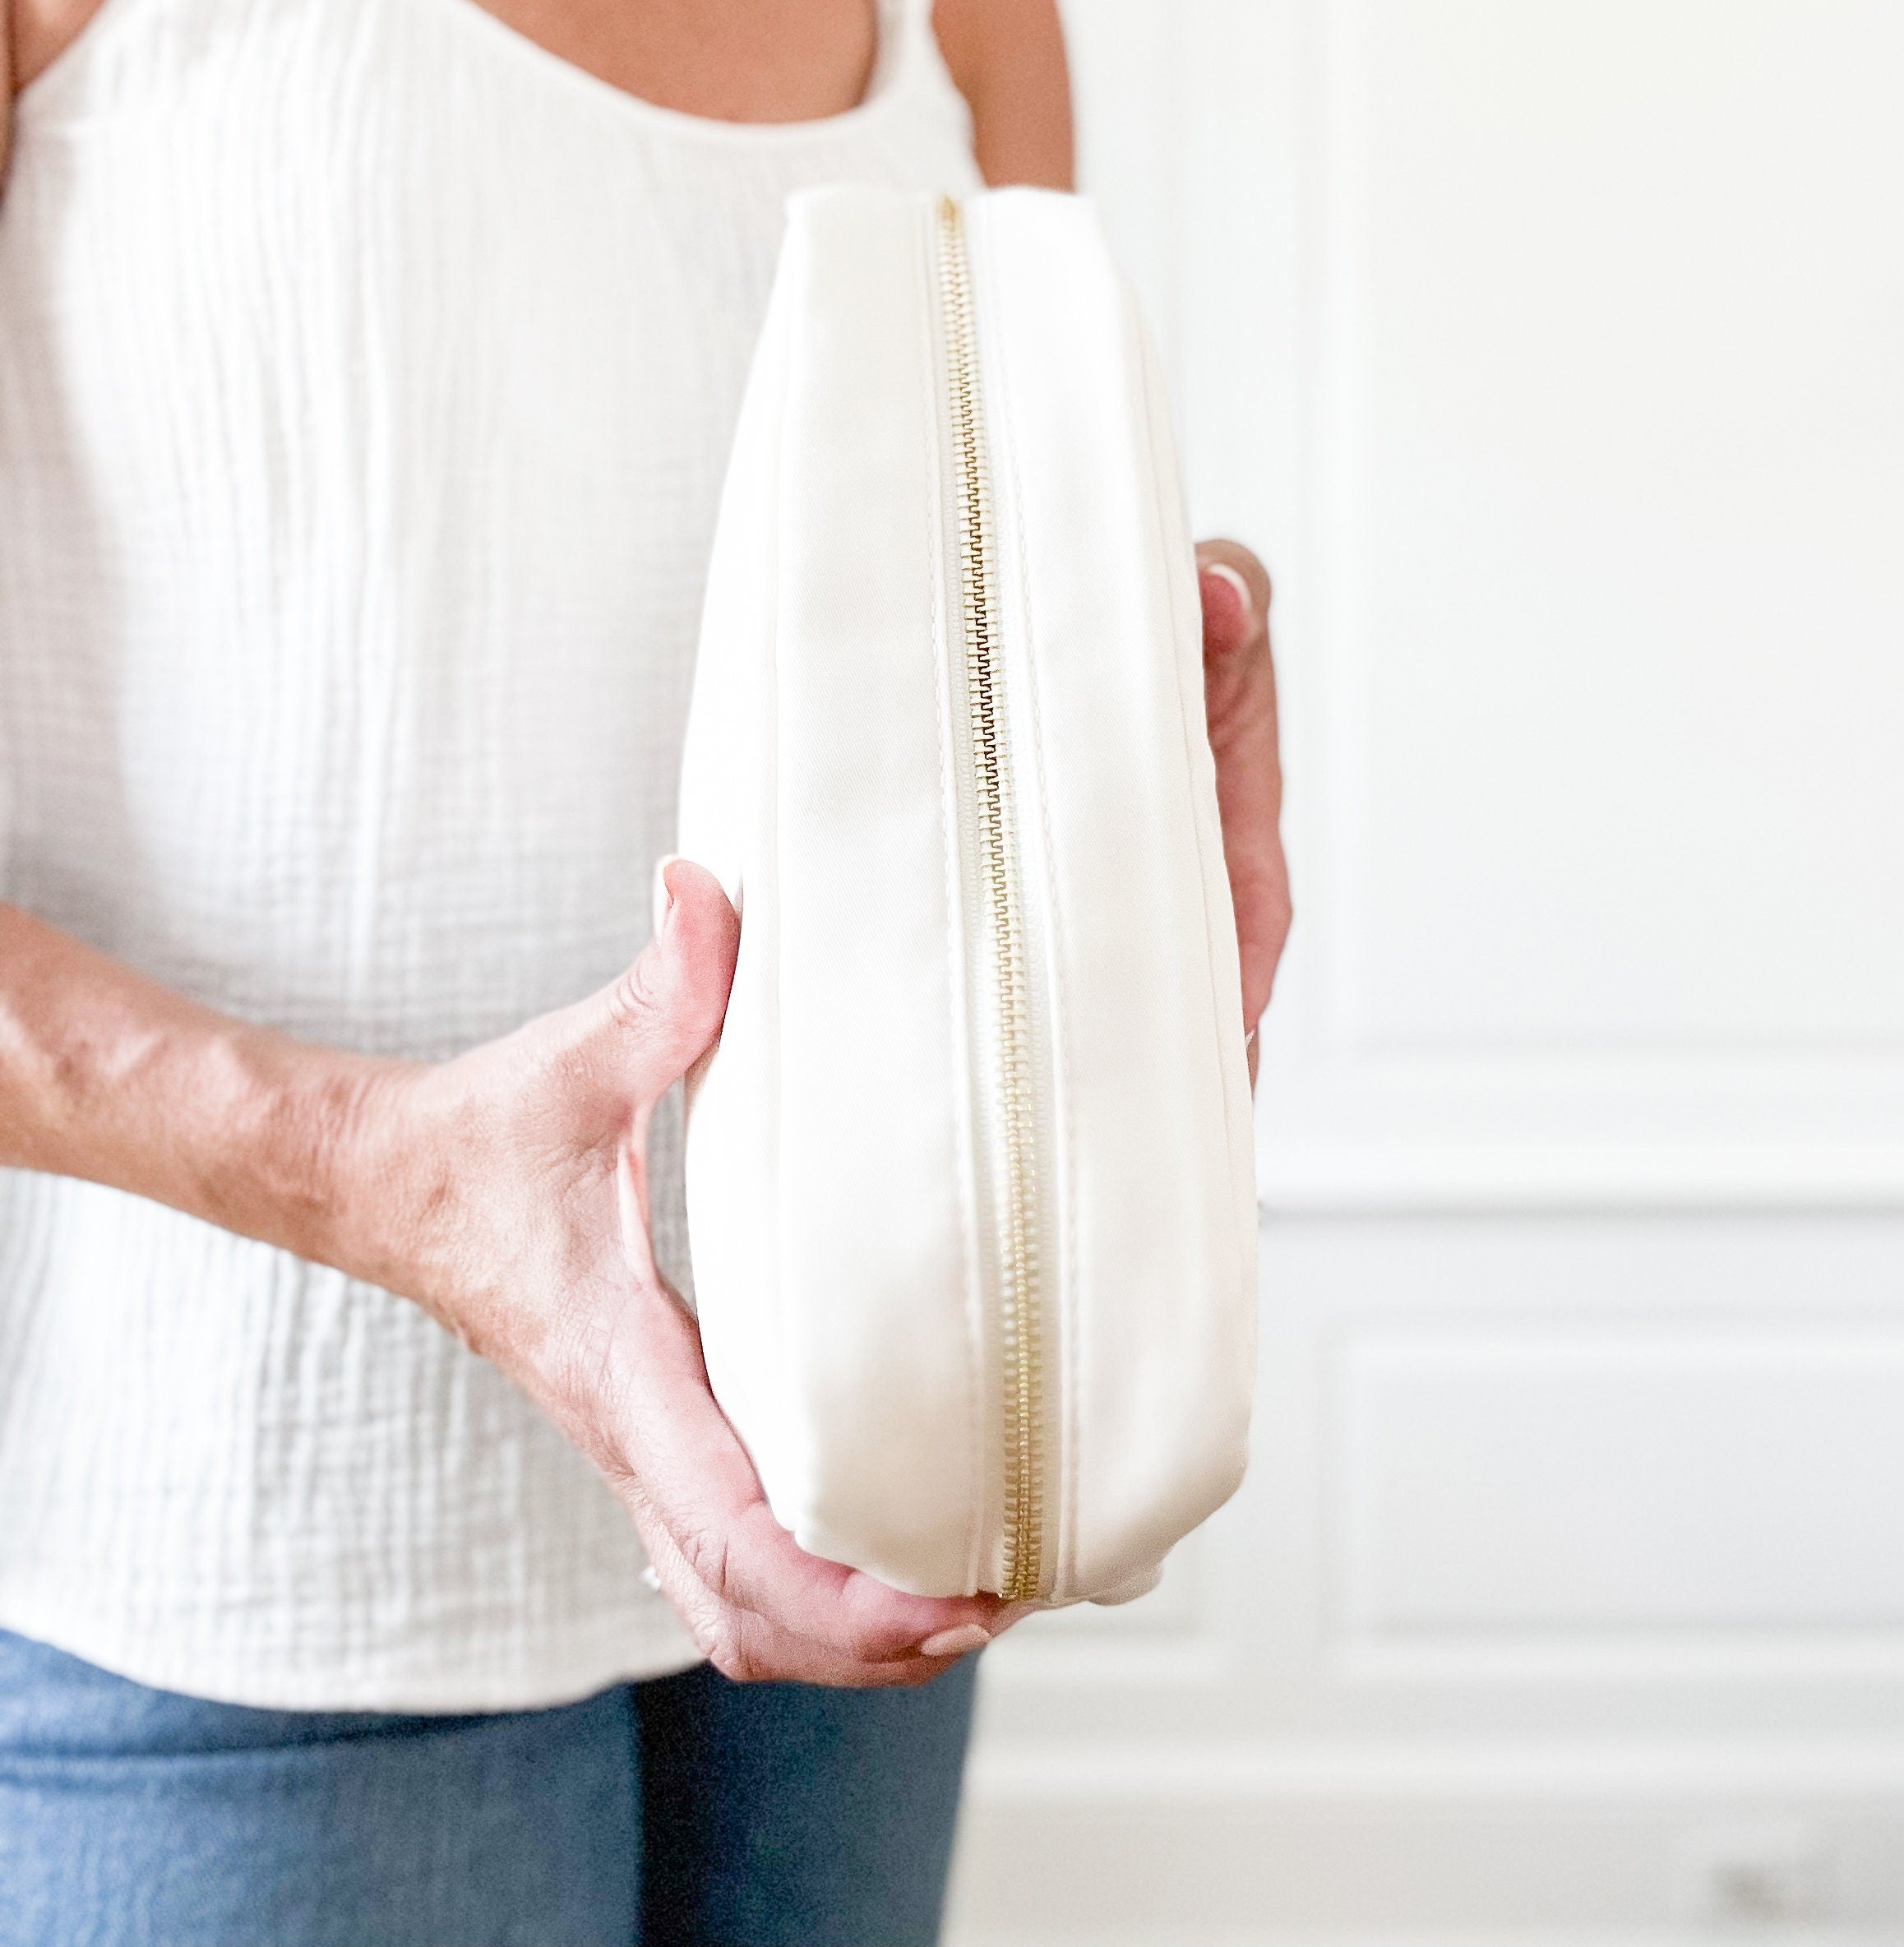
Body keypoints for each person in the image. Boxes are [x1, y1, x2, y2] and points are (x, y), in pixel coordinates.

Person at [0, 0, 1291, 1939]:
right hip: (227, 1583)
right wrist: (379, 1165)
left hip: (854, 1496)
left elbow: (956, 658)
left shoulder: (978, 24)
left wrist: (1154, 805)